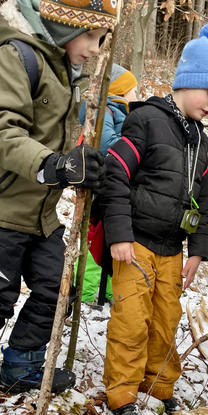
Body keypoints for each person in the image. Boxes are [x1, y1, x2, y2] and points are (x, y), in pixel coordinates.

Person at [0, 0, 117, 415]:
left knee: (60, 284)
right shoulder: (13, 56)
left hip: (39, 214)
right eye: (89, 35)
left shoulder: (61, 70)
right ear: (60, 25)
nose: (94, 47)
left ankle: (22, 365)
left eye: (101, 37)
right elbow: (2, 133)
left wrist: (80, 167)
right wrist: (55, 166)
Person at [100, 21, 208, 415]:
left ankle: (157, 384)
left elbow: (204, 197)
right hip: (136, 243)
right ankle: (121, 393)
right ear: (186, 81)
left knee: (165, 319)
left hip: (172, 249)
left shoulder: (200, 138)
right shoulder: (145, 120)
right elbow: (115, 173)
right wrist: (118, 235)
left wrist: (198, 251)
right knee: (130, 319)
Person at [76, 64, 138, 305]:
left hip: (109, 186)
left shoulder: (119, 112)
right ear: (119, 92)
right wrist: (132, 144)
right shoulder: (107, 111)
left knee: (107, 239)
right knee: (93, 241)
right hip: (99, 188)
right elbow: (106, 145)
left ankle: (107, 287)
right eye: (133, 90)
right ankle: (89, 288)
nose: (137, 95)